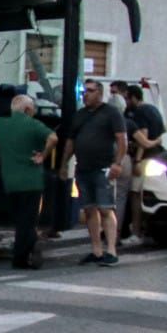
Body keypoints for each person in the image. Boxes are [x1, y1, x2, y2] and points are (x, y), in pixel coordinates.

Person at [60, 80, 127, 265]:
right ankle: (96, 250)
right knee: (89, 209)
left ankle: (111, 250)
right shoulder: (80, 115)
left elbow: (122, 139)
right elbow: (71, 142)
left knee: (105, 208)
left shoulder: (111, 113)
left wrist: (117, 163)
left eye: (90, 91)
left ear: (99, 93)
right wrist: (64, 164)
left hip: (103, 168)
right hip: (83, 168)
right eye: (84, 91)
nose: (85, 94)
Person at [0, 87, 49, 269]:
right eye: (34, 108)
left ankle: (29, 247)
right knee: (28, 221)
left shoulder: (2, 124)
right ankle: (22, 256)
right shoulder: (34, 124)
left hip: (11, 182)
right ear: (28, 110)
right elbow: (53, 138)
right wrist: (43, 155)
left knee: (20, 219)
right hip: (31, 181)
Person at [122, 83, 167, 242]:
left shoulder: (139, 112)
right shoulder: (153, 109)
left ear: (134, 97)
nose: (126, 102)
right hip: (158, 155)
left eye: (127, 98)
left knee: (135, 194)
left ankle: (136, 232)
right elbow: (162, 131)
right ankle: (146, 229)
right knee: (147, 193)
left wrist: (138, 160)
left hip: (145, 157)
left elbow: (144, 135)